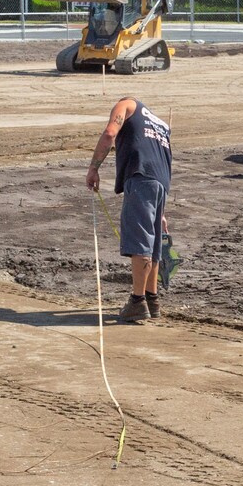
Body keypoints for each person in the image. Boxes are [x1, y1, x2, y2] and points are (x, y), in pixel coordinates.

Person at [85, 96, 173, 323]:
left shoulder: (127, 104)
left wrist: (93, 168)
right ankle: (151, 299)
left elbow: (109, 134)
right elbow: (162, 160)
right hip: (160, 183)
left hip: (141, 176)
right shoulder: (160, 125)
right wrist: (160, 212)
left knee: (141, 241)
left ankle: (137, 301)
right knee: (153, 244)